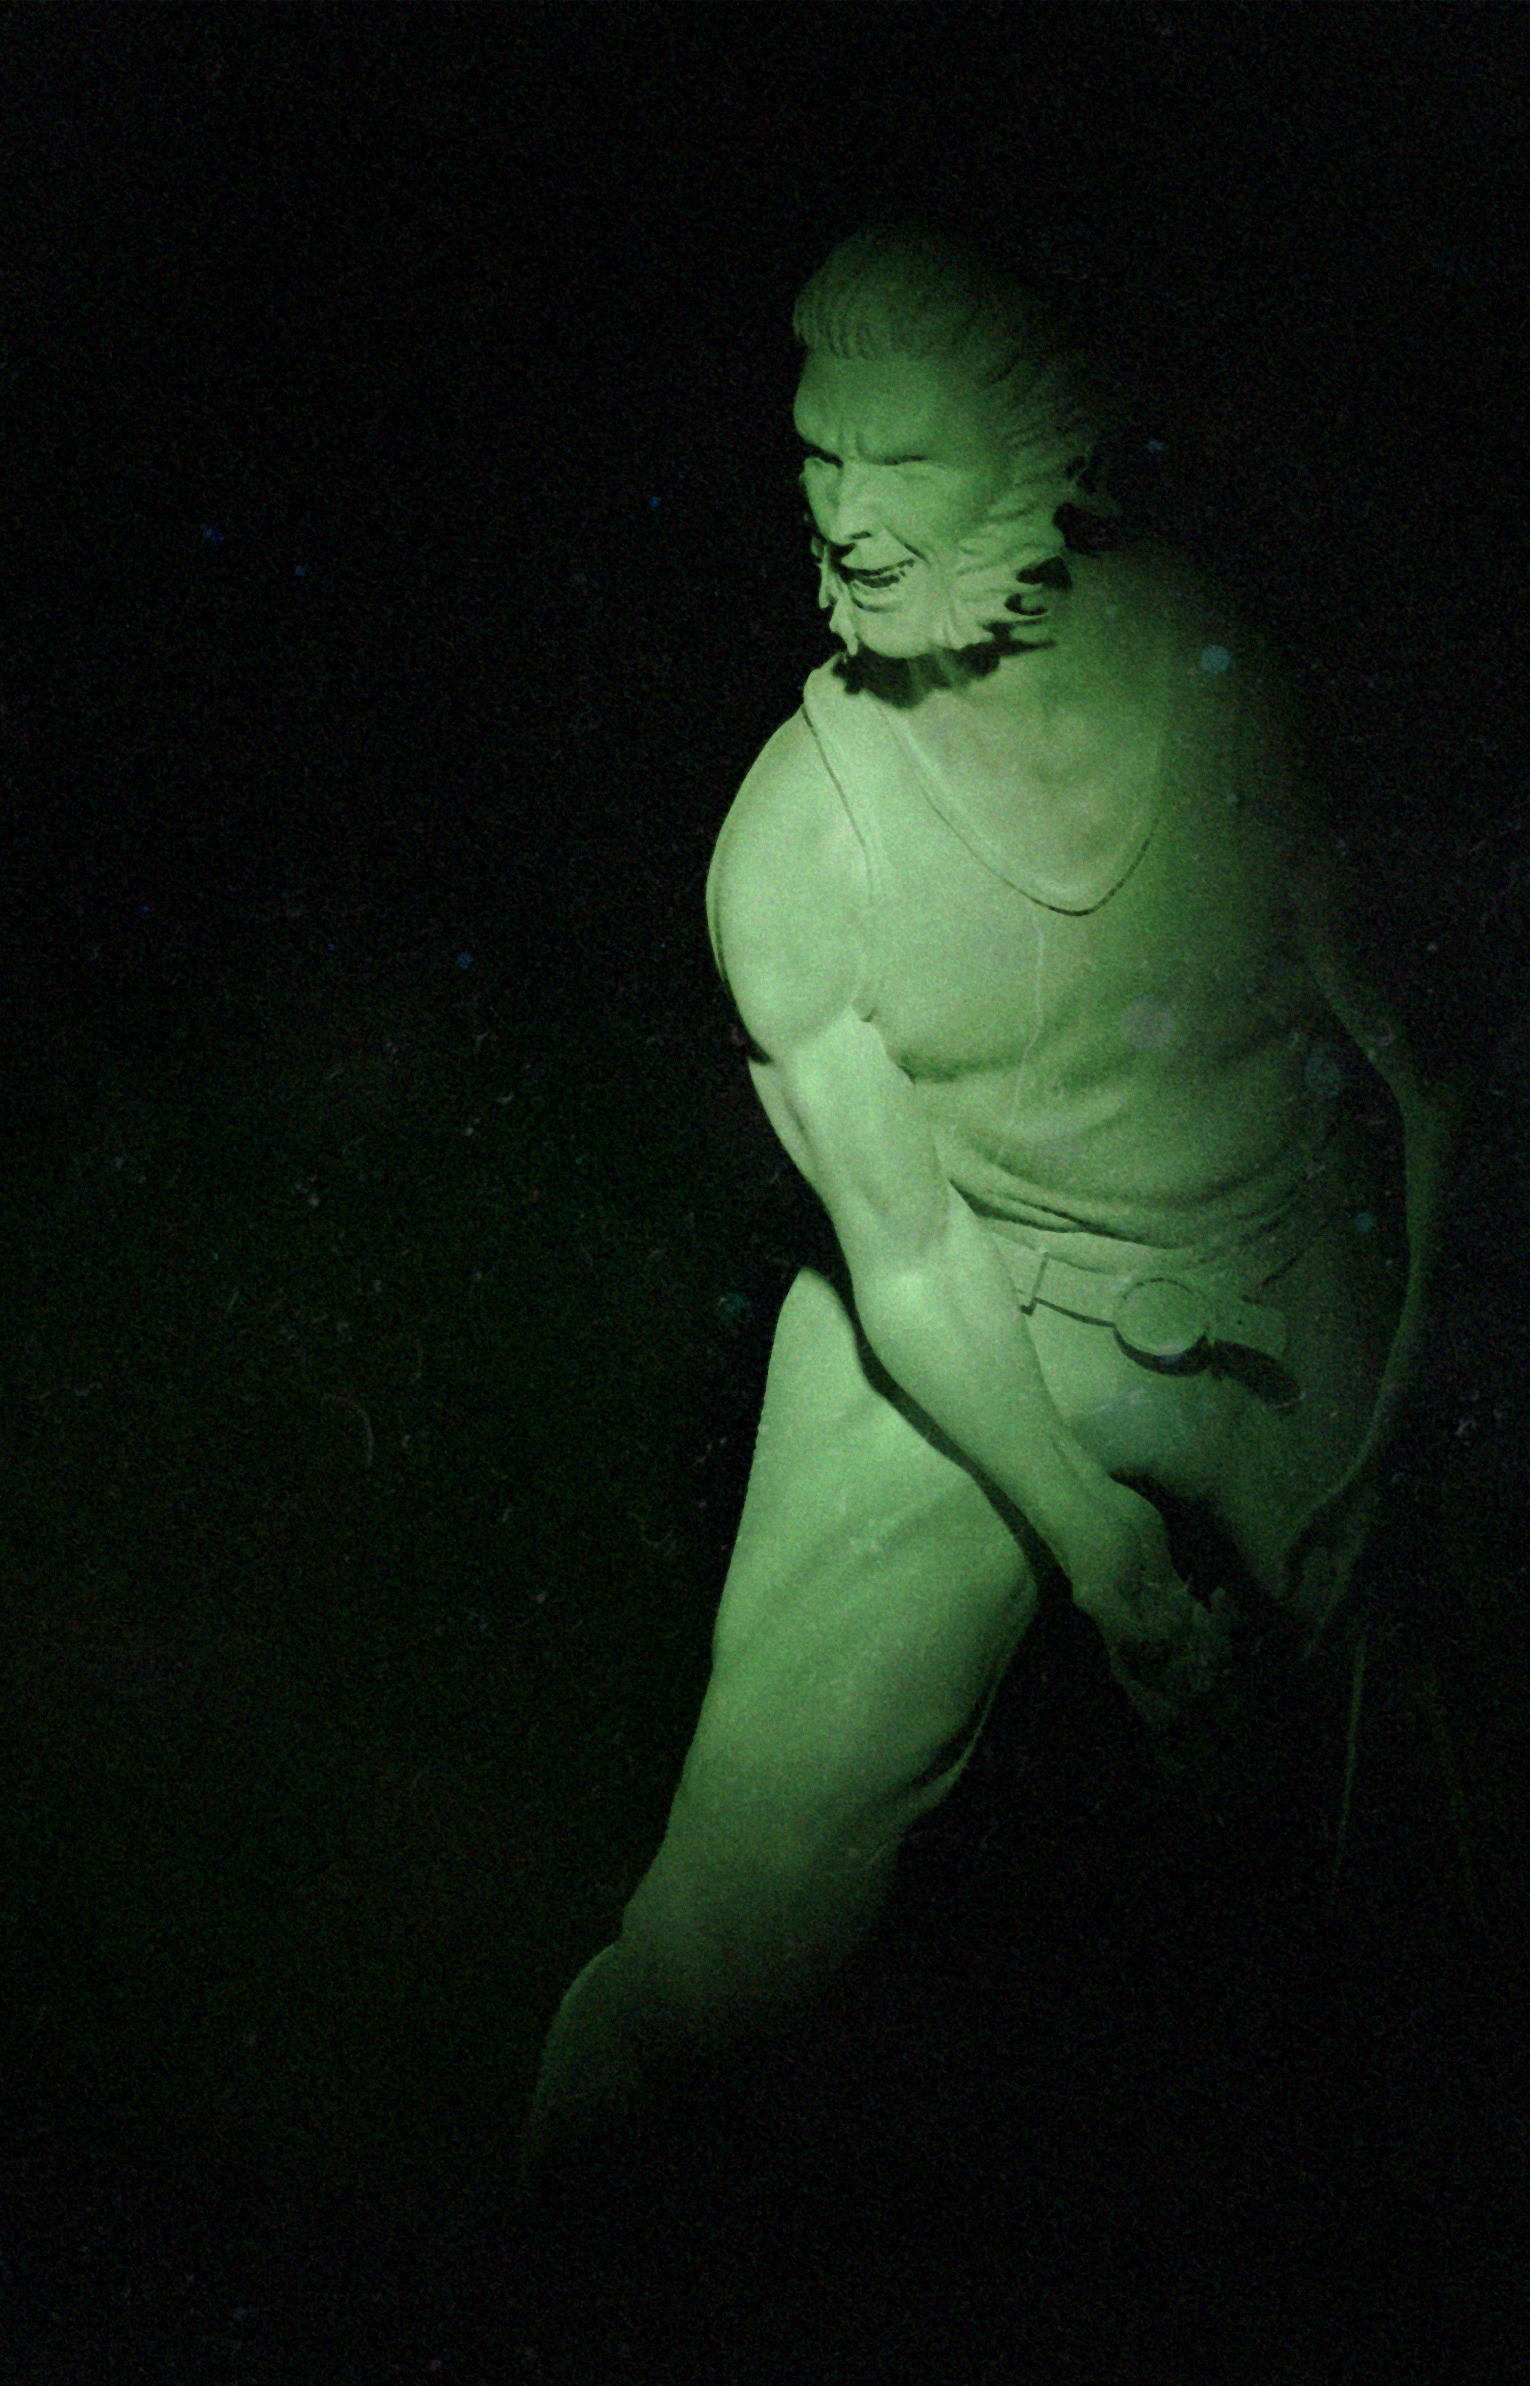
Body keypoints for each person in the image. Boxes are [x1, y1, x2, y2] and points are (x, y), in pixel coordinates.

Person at [525, 225, 1452, 2173]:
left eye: (901, 461)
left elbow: (1435, 1080)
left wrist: (1403, 1428)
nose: (845, 516)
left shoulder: (1236, 683)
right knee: (740, 1915)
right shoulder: (795, 850)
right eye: (817, 456)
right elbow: (910, 1246)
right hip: (967, 1305)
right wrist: (1110, 1567)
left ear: (1044, 455)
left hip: (1278, 1253)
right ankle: (578, 2197)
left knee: (1437, 1810)